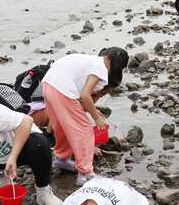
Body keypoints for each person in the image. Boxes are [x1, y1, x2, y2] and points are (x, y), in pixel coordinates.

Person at [41, 48, 129, 184]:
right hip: (62, 88)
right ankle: (85, 173)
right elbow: (84, 96)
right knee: (84, 130)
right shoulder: (102, 67)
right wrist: (97, 118)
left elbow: (82, 100)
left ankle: (61, 159)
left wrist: (92, 110)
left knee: (64, 127)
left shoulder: (92, 61)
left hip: (49, 85)